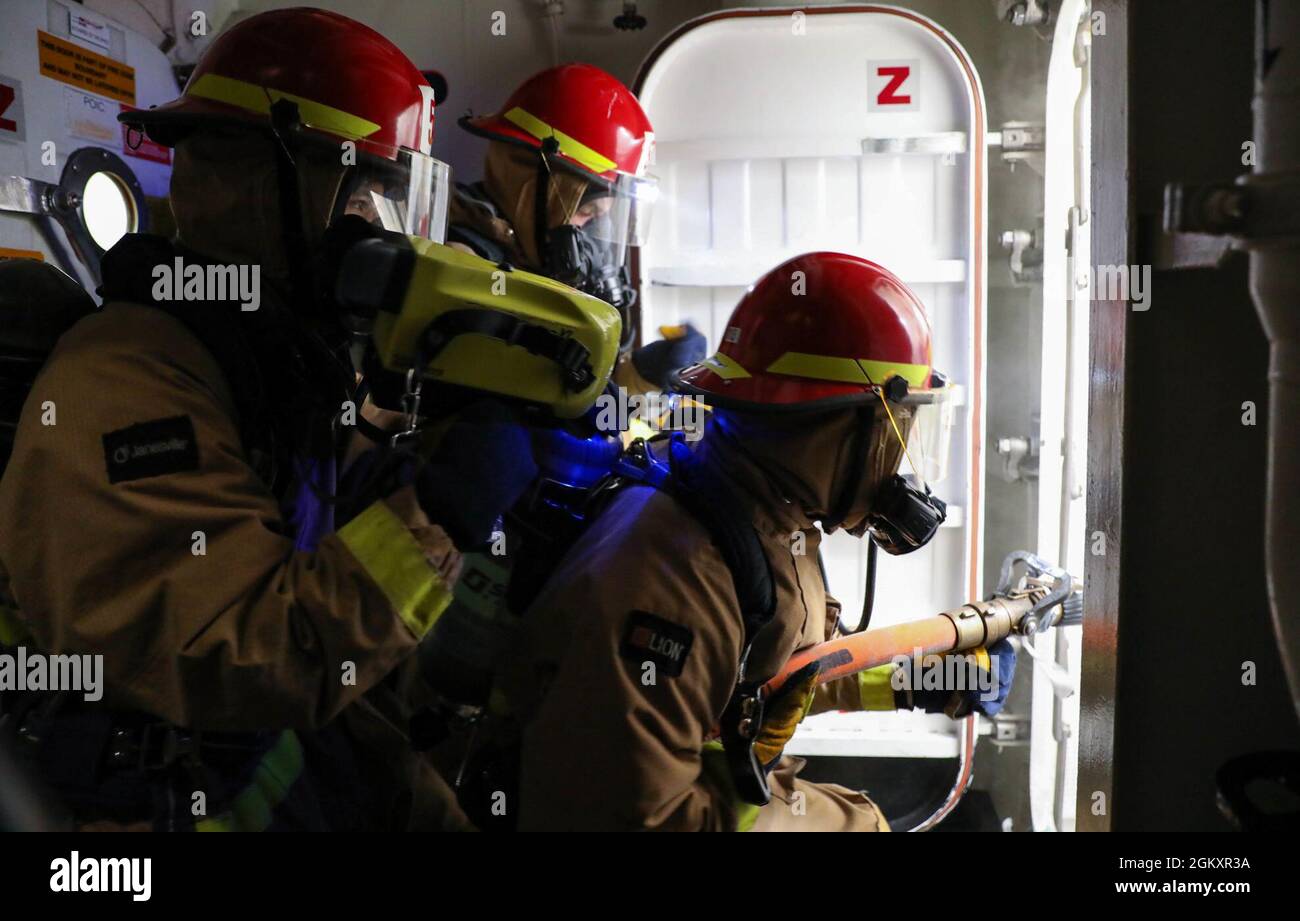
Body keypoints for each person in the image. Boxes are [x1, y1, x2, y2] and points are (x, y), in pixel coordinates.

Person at [0, 8, 538, 831]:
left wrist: (402, 464)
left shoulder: (257, 357)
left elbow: (292, 530)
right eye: (360, 194)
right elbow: (254, 652)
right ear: (263, 180)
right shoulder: (128, 380)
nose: (375, 229)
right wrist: (436, 517)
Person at [486, 252, 1016, 831]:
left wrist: (921, 681)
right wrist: (840, 822)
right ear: (838, 427)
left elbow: (771, 678)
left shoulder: (752, 507)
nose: (905, 469)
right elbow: (639, 819)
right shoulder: (676, 579)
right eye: (899, 432)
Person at [450, 63, 705, 397]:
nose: (587, 236)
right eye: (585, 212)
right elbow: (517, 398)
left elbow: (565, 387)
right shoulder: (460, 264)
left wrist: (643, 373)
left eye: (600, 218)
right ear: (532, 183)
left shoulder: (531, 253)